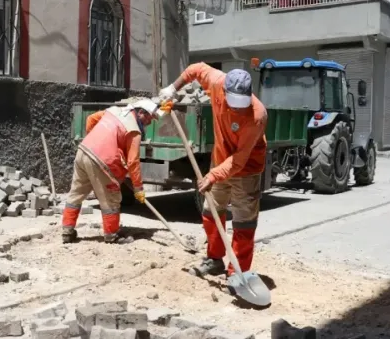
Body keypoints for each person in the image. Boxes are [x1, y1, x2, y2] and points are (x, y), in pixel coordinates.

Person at [159, 63, 267, 277]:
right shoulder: (217, 82)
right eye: (233, 103)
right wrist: (173, 87)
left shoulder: (256, 115)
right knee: (211, 213)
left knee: (243, 222)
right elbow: (196, 69)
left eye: (241, 104)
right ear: (224, 91)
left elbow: (238, 160)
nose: (237, 109)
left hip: (245, 169)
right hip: (219, 161)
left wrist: (213, 175)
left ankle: (238, 272)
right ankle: (214, 259)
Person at [61, 98, 173, 244]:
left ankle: (67, 233)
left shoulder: (114, 111)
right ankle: (112, 235)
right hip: (101, 161)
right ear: (140, 113)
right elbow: (133, 162)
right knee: (111, 198)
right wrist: (138, 188)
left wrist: (95, 141)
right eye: (149, 118)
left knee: (76, 194)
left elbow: (90, 119)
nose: (149, 122)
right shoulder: (134, 131)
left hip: (83, 151)